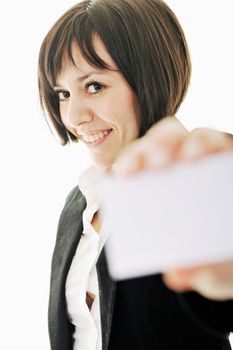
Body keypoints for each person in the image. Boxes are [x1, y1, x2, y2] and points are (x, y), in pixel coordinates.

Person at [38, 0, 233, 349]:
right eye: (63, 93)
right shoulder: (80, 202)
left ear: (148, 77)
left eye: (94, 86)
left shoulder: (195, 184)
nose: (73, 115)